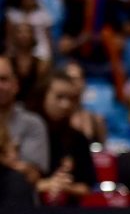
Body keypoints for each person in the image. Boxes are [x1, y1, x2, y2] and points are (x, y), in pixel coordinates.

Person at [36, 69, 98, 205]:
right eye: (59, 97)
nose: (66, 105)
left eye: (71, 99)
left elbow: (87, 187)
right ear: (43, 96)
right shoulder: (29, 132)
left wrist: (66, 187)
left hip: (70, 211)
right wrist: (45, 185)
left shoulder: (78, 139)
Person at [0, 54, 49, 187]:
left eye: (4, 79)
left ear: (15, 85)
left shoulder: (33, 123)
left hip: (15, 194)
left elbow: (32, 176)